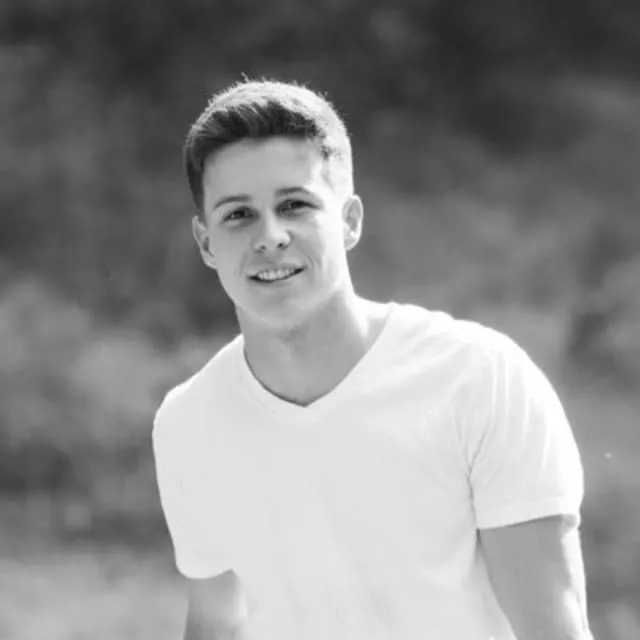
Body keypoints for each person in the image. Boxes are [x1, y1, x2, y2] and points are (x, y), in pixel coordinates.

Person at [152, 79, 593, 640]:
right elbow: (217, 620)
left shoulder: (481, 379)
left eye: (294, 205)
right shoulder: (188, 421)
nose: (271, 236)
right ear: (205, 242)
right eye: (239, 214)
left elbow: (552, 628)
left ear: (350, 220)